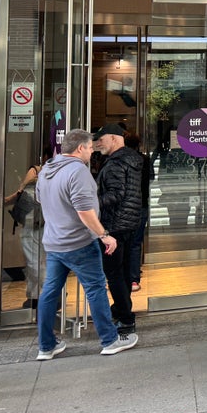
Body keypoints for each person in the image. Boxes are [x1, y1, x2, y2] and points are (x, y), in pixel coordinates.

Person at [36, 128, 138, 359]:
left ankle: (46, 345)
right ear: (80, 148)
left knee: (50, 292)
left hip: (54, 242)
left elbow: (41, 200)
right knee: (95, 289)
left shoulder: (47, 170)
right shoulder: (77, 171)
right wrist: (104, 235)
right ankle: (110, 339)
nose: (92, 152)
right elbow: (85, 211)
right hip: (79, 242)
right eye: (91, 148)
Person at [92, 123, 143, 335]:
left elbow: (115, 194)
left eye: (101, 140)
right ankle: (122, 310)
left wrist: (92, 203)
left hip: (114, 225)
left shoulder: (115, 164)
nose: (97, 144)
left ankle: (125, 318)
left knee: (113, 274)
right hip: (131, 222)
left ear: (113, 138)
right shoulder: (133, 160)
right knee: (121, 273)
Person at [3, 152, 48, 309]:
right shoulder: (61, 172)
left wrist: (4, 201)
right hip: (47, 221)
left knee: (34, 260)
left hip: (34, 220)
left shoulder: (36, 170)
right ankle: (35, 297)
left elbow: (21, 192)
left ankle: (49, 292)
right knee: (39, 260)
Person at [123, 133, 152, 293]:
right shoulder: (145, 160)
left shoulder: (120, 160)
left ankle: (121, 277)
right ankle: (134, 279)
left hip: (124, 207)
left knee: (122, 242)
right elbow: (151, 178)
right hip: (141, 205)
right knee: (135, 244)